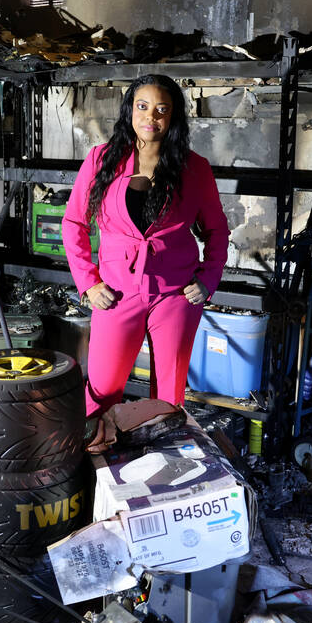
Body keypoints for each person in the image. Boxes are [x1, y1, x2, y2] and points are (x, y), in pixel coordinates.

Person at [62, 75, 230, 417]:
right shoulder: (100, 160)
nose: (150, 117)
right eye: (143, 106)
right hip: (117, 294)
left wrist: (209, 278)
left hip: (175, 296)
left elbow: (217, 230)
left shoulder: (194, 168)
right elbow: (73, 224)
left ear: (172, 118)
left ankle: (161, 463)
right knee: (102, 390)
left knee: (168, 398)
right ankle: (97, 458)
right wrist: (89, 284)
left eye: (161, 110)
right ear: (129, 111)